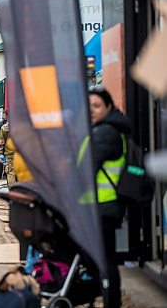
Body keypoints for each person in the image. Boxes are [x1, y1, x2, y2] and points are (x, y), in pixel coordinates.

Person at [88, 86, 131, 308]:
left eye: (97, 106)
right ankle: (107, 299)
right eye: (89, 106)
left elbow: (87, 168)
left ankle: (109, 301)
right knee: (105, 259)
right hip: (104, 206)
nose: (92, 110)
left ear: (109, 107)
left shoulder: (105, 132)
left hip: (103, 206)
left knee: (105, 261)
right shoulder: (105, 129)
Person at [0, 119, 16, 186]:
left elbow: (1, 141)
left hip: (10, 153)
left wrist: (0, 153)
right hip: (23, 154)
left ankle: (13, 191)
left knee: (10, 173)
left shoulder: (5, 127)